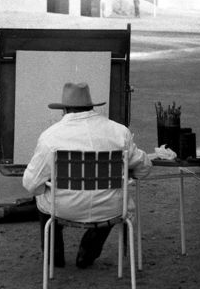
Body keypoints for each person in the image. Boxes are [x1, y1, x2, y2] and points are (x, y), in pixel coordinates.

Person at [22, 81, 152, 269]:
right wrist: (131, 173)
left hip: (63, 208)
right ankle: (89, 251)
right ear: (92, 106)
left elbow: (30, 184)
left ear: (64, 110)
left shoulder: (50, 136)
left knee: (43, 194)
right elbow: (144, 167)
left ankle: (54, 256)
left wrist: (47, 186)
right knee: (111, 196)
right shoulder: (119, 132)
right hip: (110, 209)